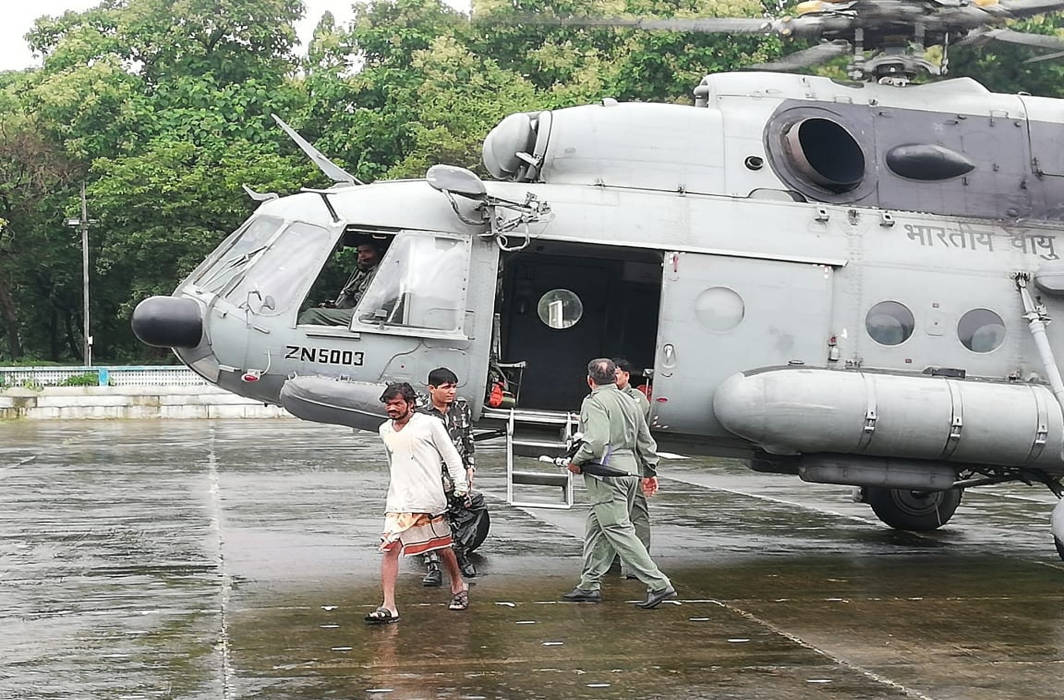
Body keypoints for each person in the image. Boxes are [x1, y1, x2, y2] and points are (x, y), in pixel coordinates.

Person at [561, 358, 676, 609]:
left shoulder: (594, 401)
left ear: (590, 380)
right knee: (598, 528)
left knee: (618, 529)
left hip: (607, 472)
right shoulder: (630, 400)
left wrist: (576, 461)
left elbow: (595, 442)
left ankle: (658, 584)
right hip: (630, 470)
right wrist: (649, 470)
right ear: (616, 377)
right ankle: (589, 584)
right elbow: (645, 440)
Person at [365, 382, 470, 624]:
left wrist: (461, 487)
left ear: (411, 404)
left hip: (428, 499)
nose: (391, 408)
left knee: (442, 548)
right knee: (390, 547)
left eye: (397, 403)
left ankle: (458, 585)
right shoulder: (385, 430)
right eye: (388, 404)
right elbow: (394, 463)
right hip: (399, 501)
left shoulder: (429, 424)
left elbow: (451, 456)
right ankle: (388, 606)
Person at [420, 367, 479, 585]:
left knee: (465, 513)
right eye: (446, 387)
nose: (451, 391)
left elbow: (468, 438)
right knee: (430, 520)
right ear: (432, 389)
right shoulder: (421, 414)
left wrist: (470, 467)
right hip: (432, 475)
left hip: (457, 474)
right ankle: (432, 566)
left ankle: (461, 554)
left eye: (454, 386)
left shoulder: (461, 408)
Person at [613, 357, 656, 578]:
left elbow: (639, 433)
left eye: (617, 373)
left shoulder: (636, 399)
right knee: (609, 515)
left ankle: (638, 565)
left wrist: (649, 469)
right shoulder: (602, 397)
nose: (613, 377)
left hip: (631, 463)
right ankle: (609, 563)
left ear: (627, 376)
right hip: (608, 464)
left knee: (636, 513)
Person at [298, 241, 381, 326]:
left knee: (311, 315)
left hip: (363, 315)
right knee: (302, 314)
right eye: (359, 252)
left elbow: (368, 302)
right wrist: (335, 308)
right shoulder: (362, 273)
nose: (362, 256)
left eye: (367, 252)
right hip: (353, 311)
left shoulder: (379, 273)